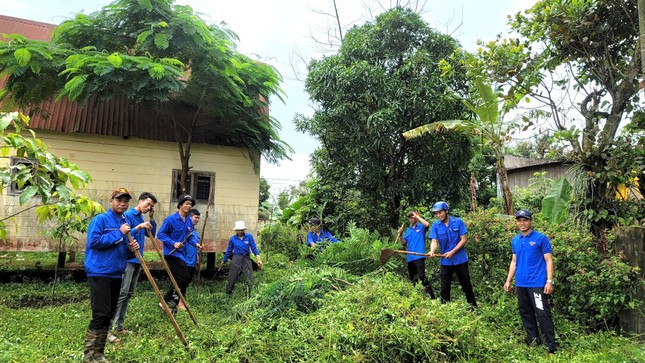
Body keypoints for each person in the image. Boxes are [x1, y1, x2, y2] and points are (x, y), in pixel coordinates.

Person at [83, 187, 139, 363]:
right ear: (111, 201)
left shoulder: (124, 222)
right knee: (100, 313)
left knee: (109, 313)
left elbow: (121, 250)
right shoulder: (101, 220)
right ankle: (89, 355)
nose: (122, 203)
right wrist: (119, 233)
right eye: (119, 200)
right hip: (100, 272)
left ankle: (98, 353)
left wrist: (131, 250)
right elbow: (94, 242)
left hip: (116, 273)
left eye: (125, 201)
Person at [504, 209, 557, 354]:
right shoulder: (515, 240)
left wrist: (549, 281)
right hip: (521, 283)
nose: (522, 223)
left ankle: (551, 346)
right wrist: (508, 280)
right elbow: (514, 261)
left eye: (525, 220)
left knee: (542, 314)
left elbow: (548, 260)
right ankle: (533, 340)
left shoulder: (540, 238)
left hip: (537, 284)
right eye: (519, 220)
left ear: (530, 221)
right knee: (526, 313)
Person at [109, 192, 157, 343]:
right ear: (140, 201)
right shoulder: (128, 214)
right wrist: (139, 226)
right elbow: (125, 234)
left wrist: (151, 219)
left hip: (138, 260)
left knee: (129, 293)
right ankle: (109, 329)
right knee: (121, 294)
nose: (148, 207)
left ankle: (119, 326)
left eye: (151, 206)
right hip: (128, 260)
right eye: (147, 204)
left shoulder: (142, 217)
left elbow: (151, 234)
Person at [428, 201, 477, 307]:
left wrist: (453, 251)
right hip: (445, 261)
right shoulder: (435, 225)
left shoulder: (458, 222)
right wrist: (432, 251)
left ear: (446, 211)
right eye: (436, 213)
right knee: (444, 287)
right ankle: (445, 309)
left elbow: (463, 240)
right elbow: (434, 241)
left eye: (440, 212)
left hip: (460, 259)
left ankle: (473, 307)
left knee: (466, 285)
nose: (438, 215)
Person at [157, 194, 197, 311]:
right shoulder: (171, 219)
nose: (189, 206)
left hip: (182, 254)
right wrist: (173, 242)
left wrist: (196, 244)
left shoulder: (189, 221)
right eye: (187, 204)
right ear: (180, 205)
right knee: (184, 277)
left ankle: (173, 304)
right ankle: (164, 301)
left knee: (181, 279)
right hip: (172, 253)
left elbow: (189, 236)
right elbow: (160, 234)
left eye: (190, 204)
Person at [397, 211, 435, 298]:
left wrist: (417, 216)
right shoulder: (408, 230)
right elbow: (404, 243)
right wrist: (400, 235)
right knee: (413, 279)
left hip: (419, 256)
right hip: (410, 258)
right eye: (410, 217)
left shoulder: (421, 227)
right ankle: (417, 298)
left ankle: (432, 297)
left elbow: (427, 224)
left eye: (413, 217)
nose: (412, 218)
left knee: (422, 277)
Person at [220, 220, 263, 296]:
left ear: (244, 230)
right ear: (236, 230)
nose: (240, 231)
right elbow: (229, 251)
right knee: (232, 276)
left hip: (246, 258)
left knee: (249, 276)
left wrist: (258, 259)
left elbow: (254, 248)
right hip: (236, 258)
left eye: (241, 230)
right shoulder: (232, 239)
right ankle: (228, 293)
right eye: (238, 230)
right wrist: (223, 261)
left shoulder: (249, 237)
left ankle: (250, 294)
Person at [178, 208, 202, 310]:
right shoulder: (186, 230)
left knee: (186, 282)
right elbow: (187, 242)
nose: (197, 220)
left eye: (198, 218)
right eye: (195, 217)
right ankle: (180, 302)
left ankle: (181, 301)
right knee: (182, 281)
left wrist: (198, 259)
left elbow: (195, 247)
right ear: (189, 217)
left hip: (192, 261)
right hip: (185, 260)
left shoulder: (195, 232)